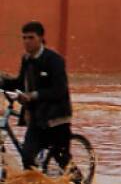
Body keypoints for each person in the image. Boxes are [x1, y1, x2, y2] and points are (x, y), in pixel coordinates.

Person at [1, 22, 72, 172]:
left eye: (31, 37)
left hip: (56, 119)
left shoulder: (54, 60)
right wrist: (3, 81)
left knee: (63, 161)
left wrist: (33, 95)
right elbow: (21, 82)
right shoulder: (26, 59)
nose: (26, 41)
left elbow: (59, 90)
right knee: (27, 157)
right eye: (24, 38)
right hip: (36, 118)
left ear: (40, 38)